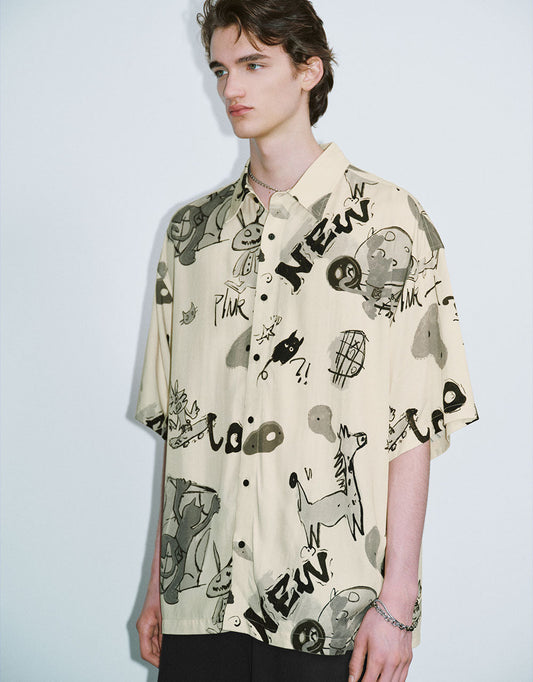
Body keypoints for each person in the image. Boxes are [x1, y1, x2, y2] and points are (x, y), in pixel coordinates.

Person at [134, 1, 478, 681]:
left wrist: (398, 604)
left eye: (253, 65)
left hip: (329, 615)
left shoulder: (390, 221)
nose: (230, 88)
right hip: (200, 609)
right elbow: (181, 430)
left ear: (307, 71)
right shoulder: (190, 237)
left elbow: (412, 426)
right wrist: (158, 587)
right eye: (220, 69)